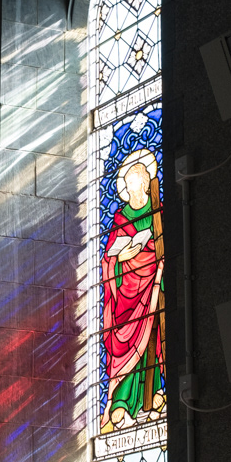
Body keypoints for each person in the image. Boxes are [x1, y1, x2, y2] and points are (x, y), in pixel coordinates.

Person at [100, 149, 165, 433]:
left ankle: (152, 395)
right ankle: (121, 402)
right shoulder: (120, 217)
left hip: (152, 285)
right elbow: (109, 258)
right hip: (125, 295)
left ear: (144, 185)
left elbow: (161, 244)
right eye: (127, 185)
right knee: (126, 342)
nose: (130, 190)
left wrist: (150, 253)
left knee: (152, 335)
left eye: (134, 184)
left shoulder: (158, 211)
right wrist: (121, 257)